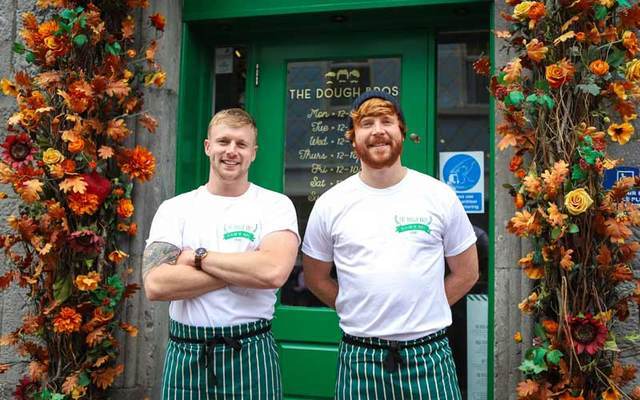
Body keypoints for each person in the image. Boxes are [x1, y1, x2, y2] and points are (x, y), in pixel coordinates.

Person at [302, 91, 479, 399]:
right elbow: (316, 278)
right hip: (360, 356)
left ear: (402, 131)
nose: (378, 130)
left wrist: (423, 308)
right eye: (366, 123)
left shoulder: (438, 196)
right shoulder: (331, 203)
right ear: (352, 138)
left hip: (428, 354)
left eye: (387, 121)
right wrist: (357, 308)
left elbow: (467, 273)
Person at [143, 108, 299, 400]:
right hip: (186, 354)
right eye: (223, 141)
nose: (231, 151)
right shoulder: (175, 209)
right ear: (207, 147)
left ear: (253, 153)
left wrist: (198, 258)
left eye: (241, 144)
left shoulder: (274, 206)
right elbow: (156, 284)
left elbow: (273, 272)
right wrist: (245, 268)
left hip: (251, 352)